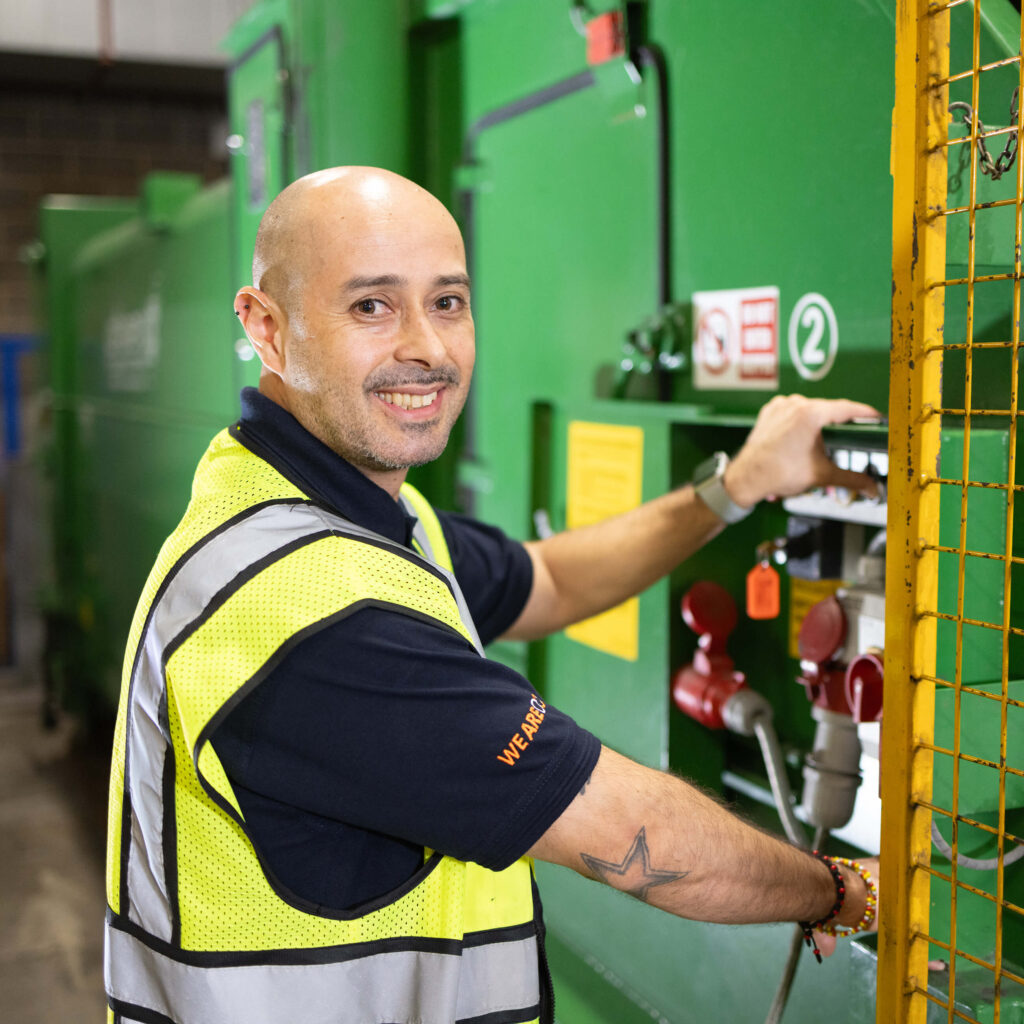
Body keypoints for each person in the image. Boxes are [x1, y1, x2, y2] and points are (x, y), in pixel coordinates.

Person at [104, 166, 881, 1024]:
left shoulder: (344, 513)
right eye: (372, 306)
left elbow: (548, 579)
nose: (428, 350)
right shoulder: (306, 613)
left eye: (447, 302)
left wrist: (737, 484)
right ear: (267, 329)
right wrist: (845, 891)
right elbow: (637, 835)